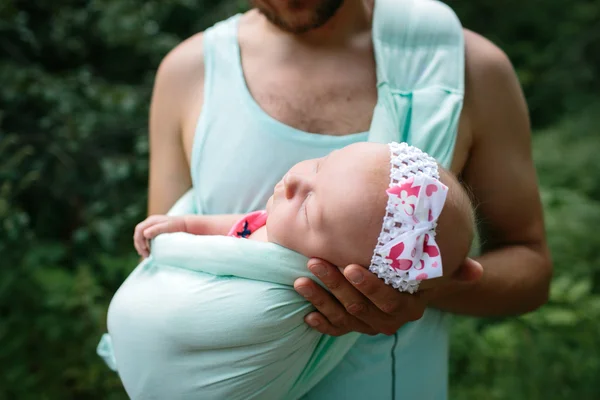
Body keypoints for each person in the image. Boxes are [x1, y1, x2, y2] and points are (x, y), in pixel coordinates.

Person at [143, 0, 552, 397]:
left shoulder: (462, 67)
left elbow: (530, 268)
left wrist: (426, 290)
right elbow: (160, 267)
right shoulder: (189, 72)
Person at [115, 142, 474, 399]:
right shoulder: (282, 229)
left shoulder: (297, 278)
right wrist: (186, 223)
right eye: (321, 164)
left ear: (347, 278)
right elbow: (238, 225)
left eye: (309, 209)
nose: (293, 182)